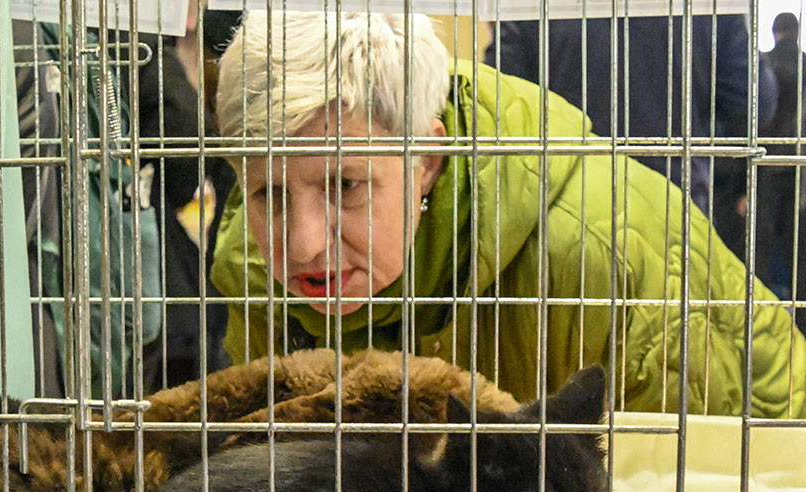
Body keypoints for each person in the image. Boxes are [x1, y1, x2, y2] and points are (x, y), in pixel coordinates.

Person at [209, 11, 806, 417]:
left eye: (346, 185)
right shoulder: (248, 260)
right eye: (269, 194)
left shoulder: (595, 259)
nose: (303, 244)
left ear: (428, 161)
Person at [484, 15, 776, 244]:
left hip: (563, 212)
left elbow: (500, 100)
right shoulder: (709, 10)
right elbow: (755, 104)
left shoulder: (530, 8)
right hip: (674, 206)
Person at [758, 12, 806, 332]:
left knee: (759, 250)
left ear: (775, 32)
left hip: (765, 168)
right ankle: (801, 324)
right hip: (801, 170)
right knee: (798, 251)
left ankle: (765, 324)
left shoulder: (766, 65)